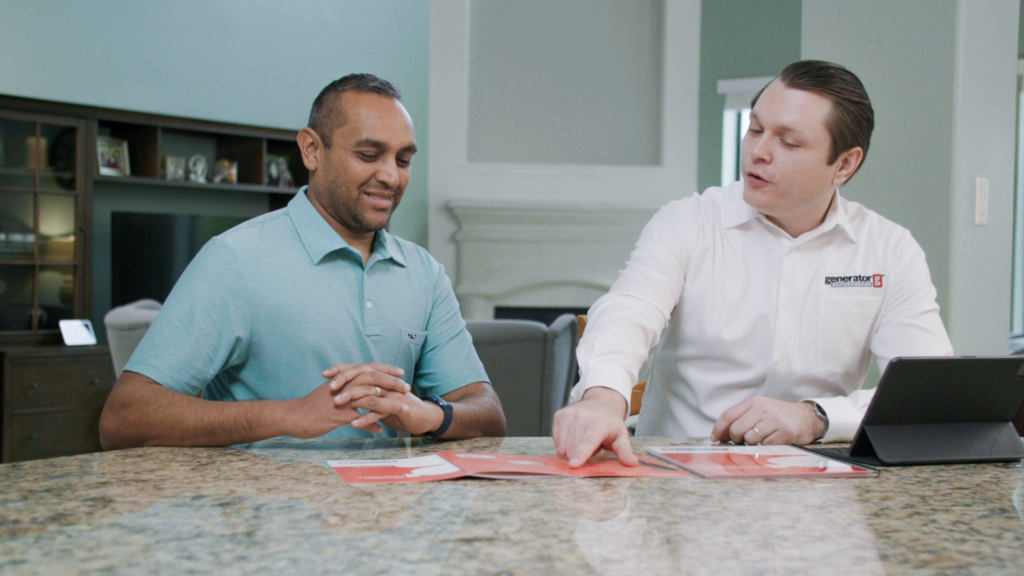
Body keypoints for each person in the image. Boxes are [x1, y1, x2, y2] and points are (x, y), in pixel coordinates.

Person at [553, 60, 953, 467]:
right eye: (756, 129)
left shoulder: (890, 250)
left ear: (845, 164)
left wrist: (815, 417)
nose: (758, 152)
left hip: (819, 483)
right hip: (679, 478)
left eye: (789, 143)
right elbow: (629, 310)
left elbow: (928, 393)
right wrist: (603, 398)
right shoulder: (688, 222)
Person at [100, 74, 506, 449]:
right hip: (264, 502)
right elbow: (123, 419)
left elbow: (488, 414)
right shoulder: (236, 259)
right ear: (312, 150)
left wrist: (429, 415)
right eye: (369, 154)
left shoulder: (424, 273)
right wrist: (290, 415)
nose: (391, 176)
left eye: (403, 160)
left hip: (388, 500)